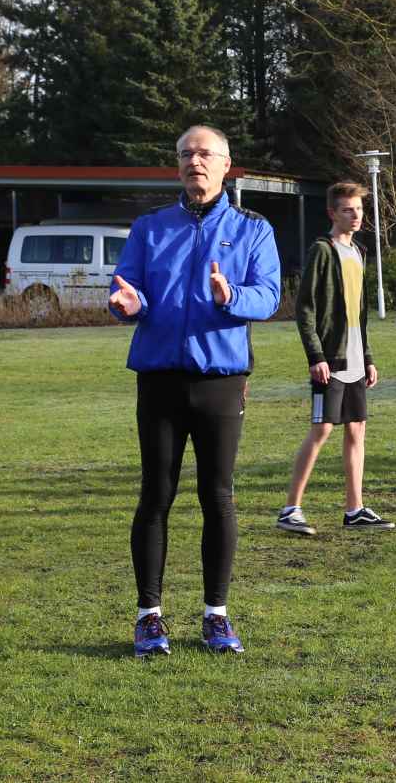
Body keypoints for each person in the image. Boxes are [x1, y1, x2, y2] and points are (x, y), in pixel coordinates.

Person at [109, 125, 281, 657]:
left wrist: (233, 297)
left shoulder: (253, 228)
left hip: (220, 382)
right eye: (186, 154)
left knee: (218, 495)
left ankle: (216, 615)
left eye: (205, 154)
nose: (195, 162)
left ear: (227, 165)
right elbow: (126, 287)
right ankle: (148, 616)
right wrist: (129, 305)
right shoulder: (150, 227)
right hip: (159, 379)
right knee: (155, 495)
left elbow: (269, 296)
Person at [276, 182, 392, 536]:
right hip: (331, 358)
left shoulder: (358, 252)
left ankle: (354, 509)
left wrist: (368, 357)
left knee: (357, 429)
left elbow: (359, 313)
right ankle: (290, 509)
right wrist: (316, 355)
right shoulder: (322, 251)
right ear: (332, 213)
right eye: (347, 210)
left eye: (358, 210)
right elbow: (305, 307)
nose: (355, 216)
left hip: (355, 359)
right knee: (322, 428)